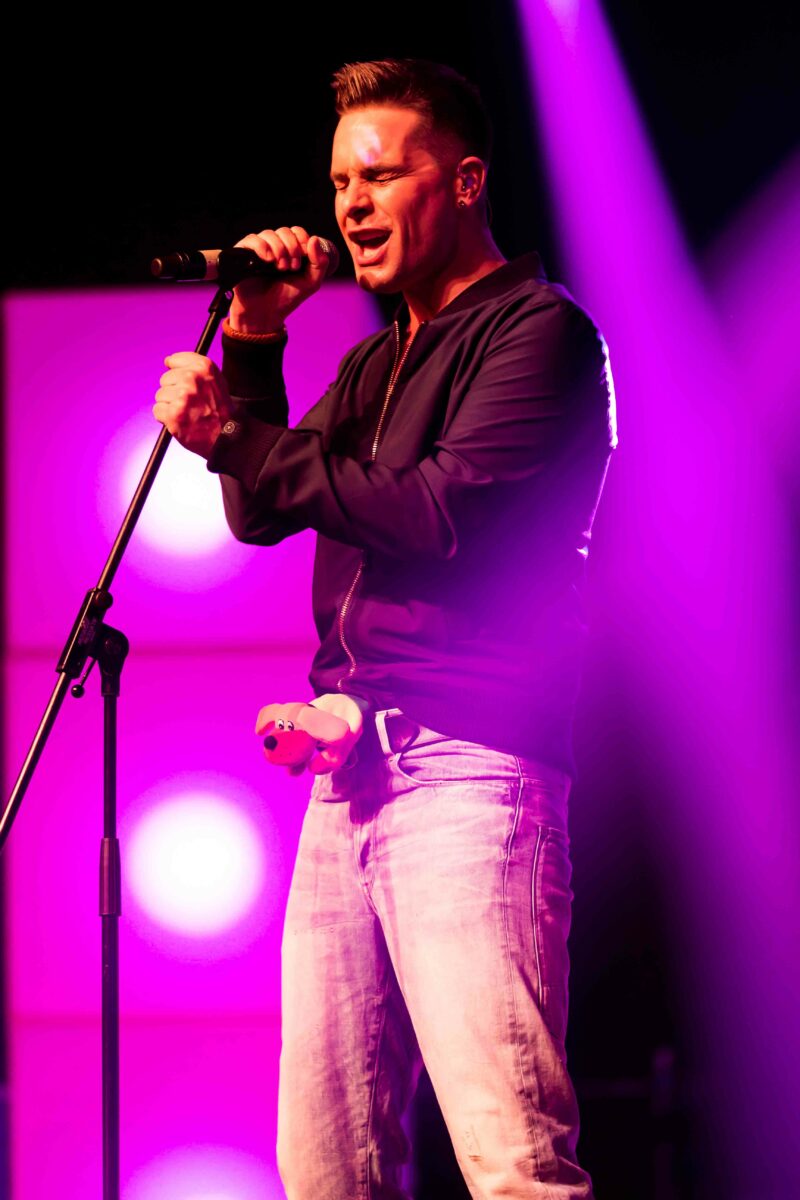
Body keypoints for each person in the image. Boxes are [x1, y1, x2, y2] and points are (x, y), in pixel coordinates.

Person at [154, 58, 616, 1200]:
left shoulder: (539, 333)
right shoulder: (375, 358)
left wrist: (232, 434)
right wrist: (255, 339)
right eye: (337, 184)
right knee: (329, 1167)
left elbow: (437, 514)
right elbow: (262, 509)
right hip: (348, 769)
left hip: (467, 767)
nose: (349, 205)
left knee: (509, 1159)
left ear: (464, 182)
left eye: (378, 176)